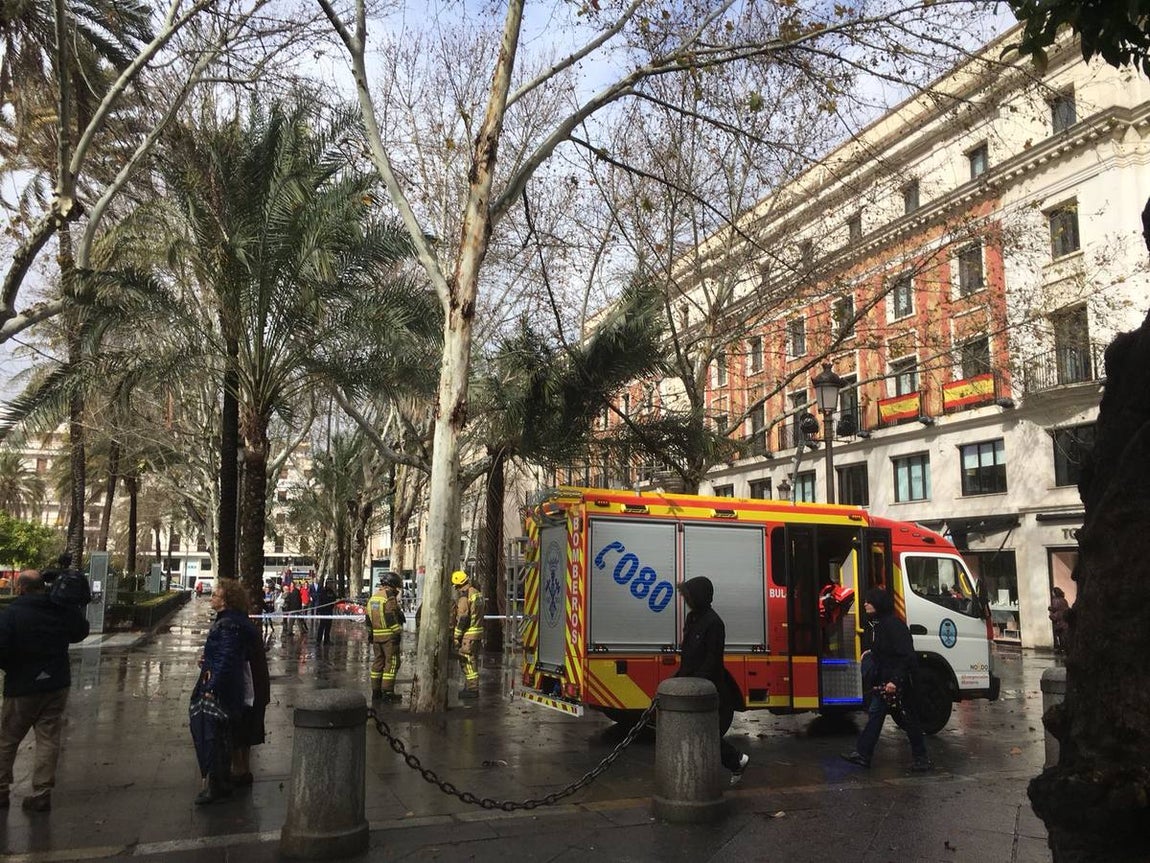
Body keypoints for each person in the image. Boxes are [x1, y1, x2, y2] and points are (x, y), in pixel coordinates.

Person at [0, 570, 90, 811]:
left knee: (8, 738)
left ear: (20, 588)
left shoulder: (12, 614)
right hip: (56, 684)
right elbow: (80, 632)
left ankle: (1, 790)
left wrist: (14, 668)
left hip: (22, 687)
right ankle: (41, 791)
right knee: (48, 738)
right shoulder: (59, 610)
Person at [842, 587, 934, 772]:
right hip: (889, 682)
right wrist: (872, 653)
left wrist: (895, 681)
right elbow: (888, 652)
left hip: (899, 683)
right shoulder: (883, 624)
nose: (865, 603)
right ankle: (864, 754)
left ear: (879, 604)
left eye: (869, 600)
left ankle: (920, 759)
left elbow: (905, 656)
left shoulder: (892, 626)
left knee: (909, 719)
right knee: (877, 715)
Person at [675, 576, 750, 786]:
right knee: (699, 732)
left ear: (699, 596)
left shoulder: (714, 623)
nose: (686, 600)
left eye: (689, 596)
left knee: (706, 733)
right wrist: (679, 678)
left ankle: (736, 761)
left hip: (711, 691)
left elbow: (712, 659)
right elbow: (689, 655)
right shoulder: (693, 618)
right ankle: (725, 765)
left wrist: (694, 683)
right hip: (693, 686)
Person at [190, 579, 251, 804]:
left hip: (220, 688)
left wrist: (212, 686)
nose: (211, 598)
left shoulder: (228, 625)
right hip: (224, 685)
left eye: (215, 595)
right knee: (221, 734)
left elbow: (227, 659)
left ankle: (216, 784)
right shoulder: (229, 622)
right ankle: (221, 781)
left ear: (226, 601)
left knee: (212, 734)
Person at [230, 606, 270, 788]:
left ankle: (239, 769)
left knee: (238, 728)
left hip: (244, 689)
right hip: (250, 689)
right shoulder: (244, 626)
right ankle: (242, 769)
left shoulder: (238, 628)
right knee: (244, 728)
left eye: (217, 596)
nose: (212, 598)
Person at [365, 575, 405, 702]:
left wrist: (371, 634)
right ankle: (388, 693)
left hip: (377, 637)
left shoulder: (374, 597)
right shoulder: (389, 597)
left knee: (378, 663)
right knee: (391, 664)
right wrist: (397, 632)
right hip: (389, 638)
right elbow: (390, 616)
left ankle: (376, 692)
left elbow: (368, 619)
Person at [451, 570, 484, 699]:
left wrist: (456, 636)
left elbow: (463, 618)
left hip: (468, 635)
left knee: (467, 662)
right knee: (473, 660)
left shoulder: (465, 597)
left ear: (459, 585)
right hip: (477, 634)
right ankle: (470, 686)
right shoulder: (477, 593)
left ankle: (472, 689)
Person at [313, 578, 335, 645]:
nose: (331, 585)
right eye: (330, 583)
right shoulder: (323, 591)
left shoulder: (332, 592)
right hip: (324, 611)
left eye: (332, 583)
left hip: (329, 611)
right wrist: (319, 611)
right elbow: (321, 600)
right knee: (322, 626)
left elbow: (334, 598)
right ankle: (318, 641)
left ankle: (326, 640)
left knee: (328, 626)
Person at [1048, 586, 1070, 653]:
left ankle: (1061, 648)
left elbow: (1054, 608)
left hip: (1058, 619)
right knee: (1064, 634)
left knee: (1059, 635)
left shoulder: (1055, 600)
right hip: (1064, 619)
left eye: (1053, 592)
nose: (1052, 594)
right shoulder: (1064, 600)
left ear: (1055, 593)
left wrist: (1049, 608)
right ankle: (1065, 648)